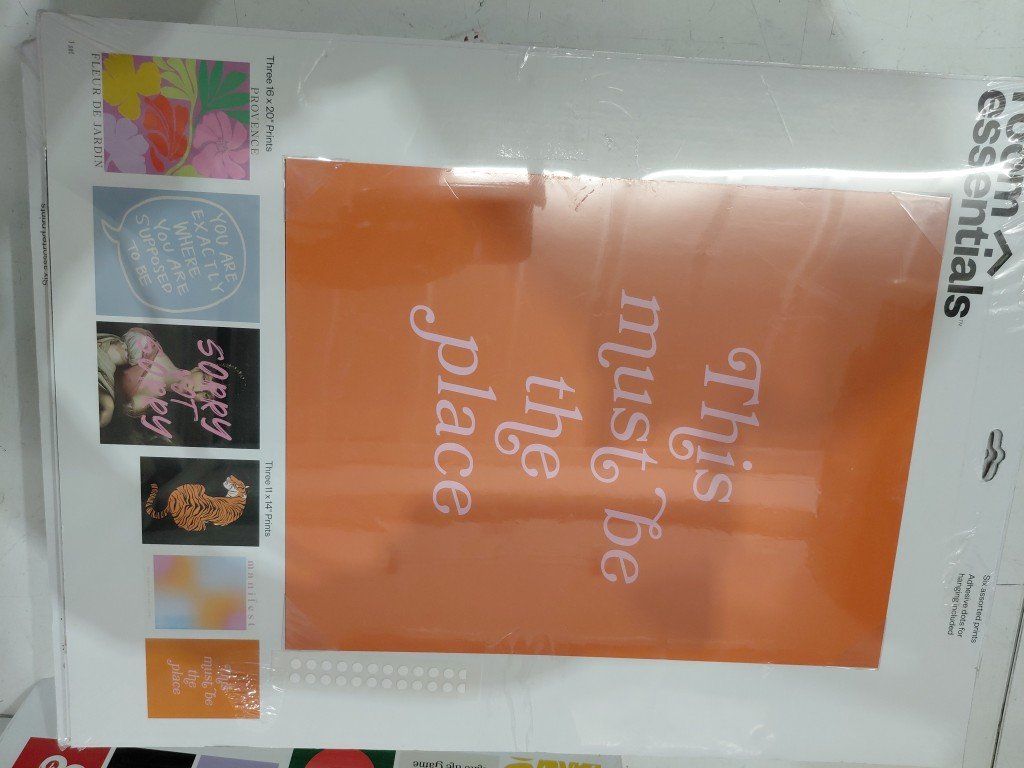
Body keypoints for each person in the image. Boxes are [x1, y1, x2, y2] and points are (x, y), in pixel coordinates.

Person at [97, 327, 214, 432]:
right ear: (197, 369)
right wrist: (108, 403)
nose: (197, 390)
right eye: (204, 380)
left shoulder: (153, 407)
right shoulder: (146, 348)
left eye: (206, 395)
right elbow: (99, 354)